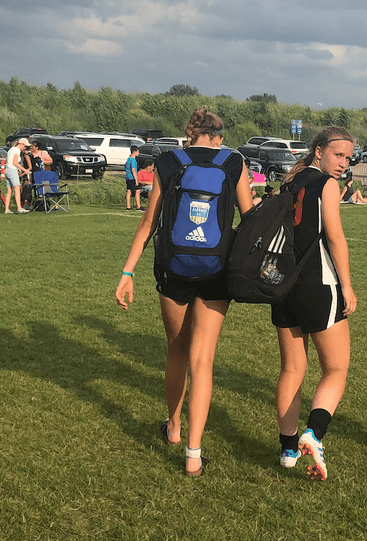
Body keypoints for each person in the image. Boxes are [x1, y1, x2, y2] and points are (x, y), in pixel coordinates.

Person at [115, 107, 253, 476]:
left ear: (190, 134)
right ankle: (194, 454)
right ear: (219, 137)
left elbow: (149, 222)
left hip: (173, 267)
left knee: (176, 350)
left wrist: (128, 271)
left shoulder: (168, 161)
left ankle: (173, 428)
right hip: (216, 271)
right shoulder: (233, 162)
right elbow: (249, 216)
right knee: (202, 360)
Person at [272, 126, 357, 481]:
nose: (343, 164)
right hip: (319, 284)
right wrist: (348, 287)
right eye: (338, 155)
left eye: (349, 158)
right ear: (319, 151)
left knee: (292, 369)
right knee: (336, 368)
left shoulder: (291, 180)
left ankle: (288, 449)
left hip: (283, 285)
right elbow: (335, 238)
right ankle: (314, 433)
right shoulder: (326, 184)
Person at [4, 138, 31, 214]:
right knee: (17, 189)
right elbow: (15, 162)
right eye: (25, 146)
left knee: (9, 190)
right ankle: (19, 208)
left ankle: (7, 209)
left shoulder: (11, 149)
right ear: (21, 144)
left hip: (7, 170)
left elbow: (9, 161)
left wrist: (18, 169)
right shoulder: (17, 150)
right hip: (12, 170)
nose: (25, 148)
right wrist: (25, 170)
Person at [125, 145, 142, 211]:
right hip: (132, 177)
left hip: (128, 177)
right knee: (137, 191)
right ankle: (138, 206)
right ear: (134, 152)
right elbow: (133, 170)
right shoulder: (133, 160)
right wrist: (136, 180)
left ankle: (128, 206)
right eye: (138, 152)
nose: (138, 153)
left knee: (129, 191)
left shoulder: (128, 159)